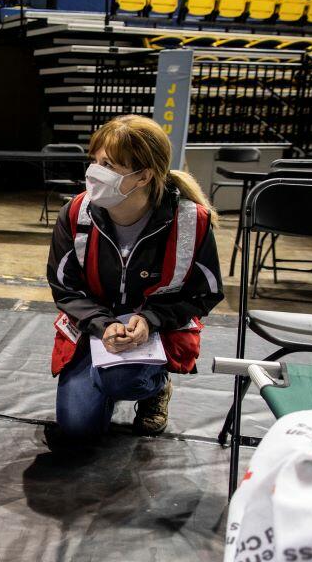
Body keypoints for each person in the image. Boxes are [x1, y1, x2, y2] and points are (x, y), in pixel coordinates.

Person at [46, 115, 223, 442]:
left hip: (155, 333)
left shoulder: (191, 221)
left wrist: (150, 319)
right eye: (95, 161)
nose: (94, 173)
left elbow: (205, 294)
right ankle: (104, 381)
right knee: (76, 430)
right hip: (95, 329)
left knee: (123, 381)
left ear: (144, 176)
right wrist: (102, 324)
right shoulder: (75, 214)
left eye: (109, 165)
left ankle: (153, 386)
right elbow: (64, 288)